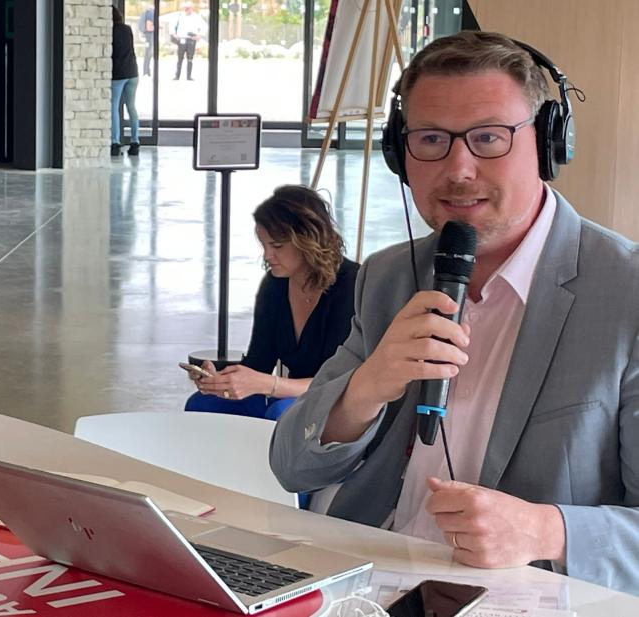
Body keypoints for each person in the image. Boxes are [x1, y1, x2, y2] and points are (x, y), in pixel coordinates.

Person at [270, 31, 639, 595]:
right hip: (363, 583)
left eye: (489, 137)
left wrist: (549, 530)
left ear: (547, 144)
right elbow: (294, 465)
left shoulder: (627, 293)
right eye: (431, 139)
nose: (458, 167)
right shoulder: (389, 275)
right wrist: (366, 388)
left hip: (514, 599)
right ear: (401, 152)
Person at [185, 185, 359, 421]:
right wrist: (224, 380)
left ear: (308, 240)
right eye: (263, 245)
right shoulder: (275, 285)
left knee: (281, 414)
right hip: (288, 397)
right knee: (203, 403)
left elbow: (339, 381)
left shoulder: (351, 286)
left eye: (277, 246)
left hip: (341, 405)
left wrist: (271, 385)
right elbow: (259, 364)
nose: (267, 256)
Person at [111, 6, 140, 157]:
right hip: (133, 72)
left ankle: (115, 143)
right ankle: (135, 142)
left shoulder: (110, 31)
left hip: (118, 73)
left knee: (114, 107)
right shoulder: (127, 29)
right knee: (131, 107)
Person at [172, 2, 206, 81]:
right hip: (182, 39)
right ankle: (177, 76)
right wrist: (174, 34)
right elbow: (172, 25)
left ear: (192, 8)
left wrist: (199, 36)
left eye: (188, 8)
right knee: (180, 58)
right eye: (186, 8)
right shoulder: (180, 16)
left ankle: (189, 76)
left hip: (191, 39)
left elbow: (204, 26)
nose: (187, 10)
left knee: (190, 58)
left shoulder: (196, 17)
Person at [137, 4, 155, 77]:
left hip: (146, 35)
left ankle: (146, 70)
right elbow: (149, 26)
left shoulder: (144, 13)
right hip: (150, 35)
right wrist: (157, 28)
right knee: (149, 54)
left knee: (147, 53)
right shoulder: (150, 14)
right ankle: (147, 71)